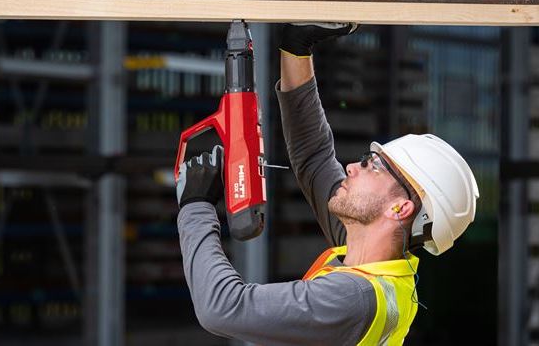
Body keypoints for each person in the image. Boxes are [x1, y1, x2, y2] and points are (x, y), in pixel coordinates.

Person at [175, 23, 480, 345]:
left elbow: (222, 308)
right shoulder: (375, 262)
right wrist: (296, 49)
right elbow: (314, 157)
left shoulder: (355, 298)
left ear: (400, 207)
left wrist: (196, 206)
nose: (352, 167)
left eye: (373, 167)